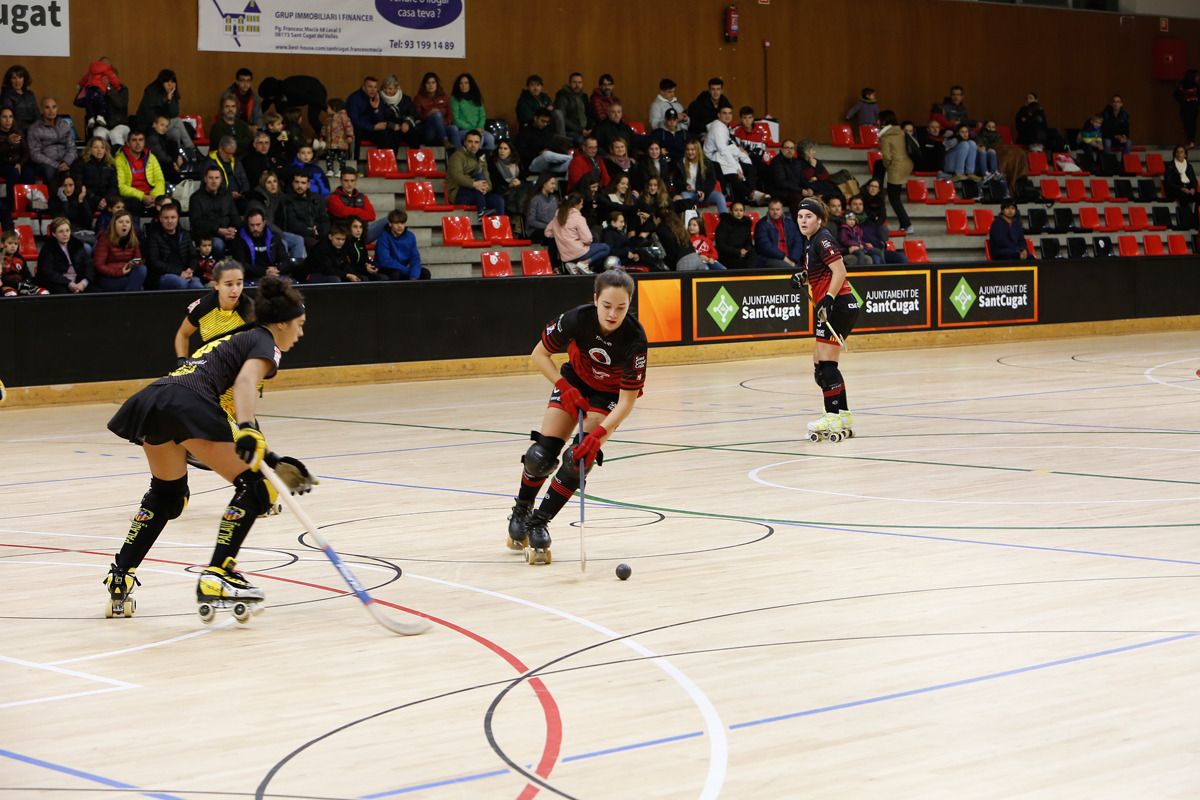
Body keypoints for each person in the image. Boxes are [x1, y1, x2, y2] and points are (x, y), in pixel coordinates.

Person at [102, 275, 311, 618]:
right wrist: (247, 431)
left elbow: (233, 404)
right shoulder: (265, 341)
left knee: (167, 495)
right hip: (188, 402)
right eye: (299, 325)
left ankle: (121, 575)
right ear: (283, 323)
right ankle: (217, 573)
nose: (300, 334)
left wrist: (269, 456)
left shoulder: (239, 336)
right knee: (257, 488)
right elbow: (245, 384)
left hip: (158, 396)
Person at [505, 269, 647, 563]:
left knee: (579, 458)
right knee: (540, 455)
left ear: (629, 306)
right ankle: (522, 508)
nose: (612, 314)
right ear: (595, 299)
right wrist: (563, 386)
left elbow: (626, 402)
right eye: (607, 306)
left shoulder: (635, 339)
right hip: (575, 383)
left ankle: (539, 521)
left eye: (621, 308)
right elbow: (538, 354)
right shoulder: (577, 319)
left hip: (608, 397)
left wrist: (596, 436)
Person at [793, 197, 859, 442]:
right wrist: (804, 277)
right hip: (837, 305)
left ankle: (831, 416)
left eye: (808, 216)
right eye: (800, 216)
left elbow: (840, 271)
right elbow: (823, 272)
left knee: (825, 365)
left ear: (818, 219)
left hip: (837, 305)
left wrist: (829, 299)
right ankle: (842, 413)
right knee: (821, 362)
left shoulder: (822, 238)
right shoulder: (811, 242)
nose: (803, 220)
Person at [703, 105, 760, 206]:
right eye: (724, 113)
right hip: (712, 159)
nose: (727, 115)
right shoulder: (718, 128)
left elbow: (728, 146)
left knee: (749, 168)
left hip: (722, 156)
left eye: (729, 113)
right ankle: (750, 194)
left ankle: (752, 194)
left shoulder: (724, 126)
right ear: (718, 115)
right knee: (734, 174)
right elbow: (722, 150)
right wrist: (736, 167)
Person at [546, 193, 609, 273]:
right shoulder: (578, 218)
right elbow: (588, 239)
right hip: (579, 253)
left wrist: (560, 236)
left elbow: (547, 233)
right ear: (576, 205)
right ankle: (584, 263)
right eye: (581, 204)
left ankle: (574, 266)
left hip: (565, 256)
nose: (582, 206)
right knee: (605, 247)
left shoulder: (556, 218)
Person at [447, 130, 504, 217]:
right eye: (470, 142)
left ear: (479, 144)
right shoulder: (457, 156)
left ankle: (499, 227)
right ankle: (481, 213)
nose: (473, 145)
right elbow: (457, 177)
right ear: (465, 142)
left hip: (478, 192)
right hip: (459, 193)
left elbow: (486, 175)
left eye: (476, 142)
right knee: (477, 187)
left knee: (498, 200)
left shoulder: (480, 157)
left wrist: (486, 187)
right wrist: (474, 184)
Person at [190, 165, 242, 258]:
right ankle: (219, 271)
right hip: (207, 236)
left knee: (241, 243)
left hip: (227, 233)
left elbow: (235, 217)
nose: (214, 181)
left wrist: (233, 230)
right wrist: (218, 230)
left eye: (217, 178)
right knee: (218, 244)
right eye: (211, 178)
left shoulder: (227, 196)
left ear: (221, 179)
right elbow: (196, 222)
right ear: (205, 179)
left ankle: (239, 271)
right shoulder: (196, 198)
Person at [136, 69, 193, 153]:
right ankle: (191, 149)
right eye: (167, 82)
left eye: (173, 82)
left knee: (175, 133)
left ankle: (176, 157)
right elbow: (149, 115)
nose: (170, 84)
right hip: (149, 126)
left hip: (163, 125)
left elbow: (174, 113)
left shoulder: (171, 94)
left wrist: (170, 100)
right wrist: (166, 100)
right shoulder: (152, 91)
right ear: (161, 82)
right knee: (177, 121)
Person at [143, 202, 196, 289]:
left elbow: (193, 256)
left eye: (173, 217)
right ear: (160, 219)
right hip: (162, 275)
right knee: (181, 283)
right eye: (166, 218)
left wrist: (190, 270)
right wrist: (179, 273)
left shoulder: (185, 234)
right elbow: (154, 262)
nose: (170, 221)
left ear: (178, 218)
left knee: (197, 286)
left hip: (184, 273)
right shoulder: (153, 236)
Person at [877, 110, 914, 234]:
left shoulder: (886, 137)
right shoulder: (901, 132)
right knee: (895, 196)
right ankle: (905, 224)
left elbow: (887, 157)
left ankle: (906, 224)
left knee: (894, 198)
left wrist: (887, 166)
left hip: (896, 168)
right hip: (906, 165)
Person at [230, 208, 292, 281]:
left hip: (274, 275)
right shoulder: (240, 239)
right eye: (252, 225)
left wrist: (277, 269)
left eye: (258, 224)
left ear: (264, 223)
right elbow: (240, 264)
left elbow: (286, 260)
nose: (255, 228)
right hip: (251, 277)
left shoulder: (274, 237)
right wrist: (264, 272)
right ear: (247, 224)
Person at [93, 209, 147, 292]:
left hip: (127, 275)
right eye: (121, 222)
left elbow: (137, 260)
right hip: (108, 278)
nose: (124, 225)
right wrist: (119, 272)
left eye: (127, 222)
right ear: (114, 224)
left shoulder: (133, 238)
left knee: (141, 269)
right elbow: (99, 265)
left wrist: (129, 265)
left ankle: (129, 295)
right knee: (137, 286)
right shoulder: (105, 238)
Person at [37, 217, 94, 294]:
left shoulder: (77, 244)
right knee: (61, 292)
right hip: (59, 282)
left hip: (79, 281)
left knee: (96, 290)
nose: (65, 234)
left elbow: (89, 264)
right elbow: (47, 272)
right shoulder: (48, 248)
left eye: (67, 231)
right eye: (61, 231)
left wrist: (84, 283)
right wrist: (68, 283)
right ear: (54, 234)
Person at [26, 96, 76, 185]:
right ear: (42, 109)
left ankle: (78, 197)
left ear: (57, 108)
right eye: (47, 107)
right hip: (47, 163)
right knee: (49, 170)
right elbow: (35, 154)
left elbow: (71, 147)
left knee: (80, 166)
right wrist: (55, 165)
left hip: (65, 160)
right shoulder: (35, 128)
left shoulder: (64, 124)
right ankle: (53, 197)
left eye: (54, 107)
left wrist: (66, 162)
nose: (51, 111)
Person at [258, 74, 327, 138]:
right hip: (301, 96)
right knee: (281, 115)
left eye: (269, 97)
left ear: (273, 94)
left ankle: (323, 137)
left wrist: (326, 108)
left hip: (315, 93)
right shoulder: (275, 94)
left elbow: (313, 99)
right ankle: (285, 138)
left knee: (313, 118)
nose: (269, 99)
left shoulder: (291, 89)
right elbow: (264, 105)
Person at [115, 130, 165, 216]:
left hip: (151, 195)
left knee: (170, 203)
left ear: (144, 142)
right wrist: (142, 197)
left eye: (141, 140)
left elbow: (160, 180)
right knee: (134, 203)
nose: (138, 143)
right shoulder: (119, 160)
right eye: (134, 140)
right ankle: (135, 229)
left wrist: (155, 198)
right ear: (128, 143)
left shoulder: (151, 157)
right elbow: (121, 186)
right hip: (133, 197)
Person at [374, 209, 430, 280]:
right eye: (396, 223)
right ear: (390, 224)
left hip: (404, 269)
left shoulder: (410, 236)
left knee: (425, 273)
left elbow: (415, 258)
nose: (400, 226)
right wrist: (407, 271)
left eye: (402, 223)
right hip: (386, 269)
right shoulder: (383, 237)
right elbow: (385, 261)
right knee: (395, 274)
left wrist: (414, 275)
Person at [516, 107, 572, 176]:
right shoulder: (525, 132)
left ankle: (572, 158)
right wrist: (538, 153)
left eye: (547, 122)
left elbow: (551, 144)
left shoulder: (547, 130)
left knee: (571, 163)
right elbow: (521, 151)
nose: (545, 124)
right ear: (535, 118)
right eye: (543, 121)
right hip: (532, 164)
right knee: (546, 154)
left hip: (549, 165)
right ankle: (572, 157)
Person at [281, 172, 329, 252]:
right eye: (297, 182)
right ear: (292, 183)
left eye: (303, 183)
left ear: (308, 185)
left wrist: (320, 232)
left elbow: (324, 219)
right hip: (300, 236)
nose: (299, 186)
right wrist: (312, 231)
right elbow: (293, 224)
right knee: (317, 247)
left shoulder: (317, 198)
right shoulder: (287, 200)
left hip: (318, 234)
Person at [72, 137, 118, 216]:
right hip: (89, 197)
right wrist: (98, 200)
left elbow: (113, 186)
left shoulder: (110, 165)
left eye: (102, 147)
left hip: (106, 199)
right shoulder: (80, 163)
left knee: (124, 203)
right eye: (96, 147)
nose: (99, 150)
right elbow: (80, 185)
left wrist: (106, 199)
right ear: (90, 149)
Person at [677, 138, 726, 213]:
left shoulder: (707, 162)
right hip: (689, 193)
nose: (690, 152)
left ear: (698, 150)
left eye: (693, 150)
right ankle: (691, 222)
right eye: (688, 150)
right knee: (684, 197)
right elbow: (677, 181)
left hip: (703, 193)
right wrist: (685, 186)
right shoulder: (681, 163)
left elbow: (711, 181)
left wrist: (704, 192)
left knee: (720, 197)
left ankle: (725, 221)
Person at [767, 139, 812, 217]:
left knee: (815, 196)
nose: (789, 150)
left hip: (794, 190)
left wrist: (808, 188)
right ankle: (798, 222)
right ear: (781, 149)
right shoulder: (777, 161)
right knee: (796, 196)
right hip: (780, 192)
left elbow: (802, 178)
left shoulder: (796, 162)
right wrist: (800, 190)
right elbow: (781, 182)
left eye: (792, 148)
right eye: (787, 148)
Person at [413, 72, 458, 148]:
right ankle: (445, 140)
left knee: (454, 128)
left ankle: (458, 157)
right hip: (428, 132)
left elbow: (450, 115)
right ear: (424, 85)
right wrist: (428, 114)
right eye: (428, 83)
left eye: (433, 82)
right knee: (436, 114)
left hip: (443, 127)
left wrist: (442, 123)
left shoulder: (444, 97)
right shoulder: (418, 98)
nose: (431, 85)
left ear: (437, 84)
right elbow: (417, 116)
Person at [76, 56, 121, 131]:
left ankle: (94, 117)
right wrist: (83, 88)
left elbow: (120, 104)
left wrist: (109, 88)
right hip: (96, 125)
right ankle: (94, 117)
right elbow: (79, 103)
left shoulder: (122, 89)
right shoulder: (90, 79)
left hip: (113, 125)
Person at [451, 73, 495, 151]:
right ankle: (474, 159)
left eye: (466, 83)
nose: (464, 85)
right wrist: (473, 129)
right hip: (463, 130)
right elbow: (455, 119)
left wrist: (480, 127)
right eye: (461, 83)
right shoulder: (455, 99)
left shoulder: (476, 97)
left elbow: (482, 115)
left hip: (478, 129)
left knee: (490, 139)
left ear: (470, 84)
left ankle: (485, 160)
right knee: (478, 137)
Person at [754, 198, 802, 269]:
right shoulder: (761, 224)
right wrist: (783, 257)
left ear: (782, 210)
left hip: (791, 258)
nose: (775, 212)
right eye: (772, 209)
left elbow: (798, 242)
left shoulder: (790, 223)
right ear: (768, 210)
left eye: (777, 209)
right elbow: (765, 246)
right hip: (770, 258)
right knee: (791, 269)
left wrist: (793, 259)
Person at [208, 135, 252, 209]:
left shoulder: (236, 162)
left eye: (233, 153)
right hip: (219, 198)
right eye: (228, 153)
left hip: (239, 197)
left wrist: (242, 193)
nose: (230, 156)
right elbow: (211, 185)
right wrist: (228, 194)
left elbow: (244, 180)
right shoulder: (210, 163)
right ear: (220, 149)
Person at [2, 229, 47, 296]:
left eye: (15, 244)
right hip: (6, 286)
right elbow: (2, 278)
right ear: (2, 244)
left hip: (22, 285)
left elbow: (27, 274)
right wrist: (17, 285)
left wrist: (26, 282)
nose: (13, 246)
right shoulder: (1, 259)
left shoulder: (20, 258)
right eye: (10, 243)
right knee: (11, 294)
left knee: (43, 292)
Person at [714, 201, 759, 269]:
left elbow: (749, 241)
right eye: (736, 210)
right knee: (739, 264)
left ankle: (751, 275)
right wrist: (738, 252)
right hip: (728, 254)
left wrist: (746, 250)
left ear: (744, 212)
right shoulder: (724, 224)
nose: (738, 213)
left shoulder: (746, 223)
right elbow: (721, 245)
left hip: (743, 252)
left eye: (741, 210)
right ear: (731, 211)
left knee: (754, 255)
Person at [488, 138, 526, 216]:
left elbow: (523, 176)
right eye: (500, 148)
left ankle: (520, 221)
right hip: (500, 191)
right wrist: (508, 185)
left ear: (510, 150)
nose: (502, 151)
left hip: (516, 189)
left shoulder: (516, 162)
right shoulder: (493, 162)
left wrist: (519, 181)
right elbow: (494, 181)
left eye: (505, 149)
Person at [1163, 145, 1197, 227]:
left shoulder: (1189, 166)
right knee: (1184, 196)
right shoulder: (1170, 166)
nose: (1179, 154)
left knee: (1197, 197)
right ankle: (1185, 222)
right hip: (1175, 190)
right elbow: (1168, 183)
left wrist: (1193, 188)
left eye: (1181, 152)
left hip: (1188, 189)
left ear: (1185, 154)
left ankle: (1196, 221)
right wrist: (1181, 188)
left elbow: (1193, 180)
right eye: (1177, 152)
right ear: (1175, 154)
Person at [321, 98, 353, 177]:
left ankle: (341, 170)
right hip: (330, 142)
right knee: (329, 156)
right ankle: (330, 170)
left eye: (328, 107)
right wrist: (322, 136)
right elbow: (324, 128)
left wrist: (349, 136)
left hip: (341, 141)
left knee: (341, 157)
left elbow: (348, 126)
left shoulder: (343, 116)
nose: (327, 109)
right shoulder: (328, 119)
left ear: (334, 108)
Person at [525, 173, 560, 244]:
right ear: (544, 183)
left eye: (555, 184)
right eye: (552, 183)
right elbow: (531, 221)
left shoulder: (554, 199)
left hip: (551, 229)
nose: (554, 186)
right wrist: (548, 226)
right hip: (536, 231)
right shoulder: (535, 199)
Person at [1, 64, 38, 131]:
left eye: (20, 77)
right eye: (14, 78)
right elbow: (9, 119)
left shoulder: (30, 94)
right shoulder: (6, 96)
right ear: (9, 80)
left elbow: (37, 114)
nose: (17, 81)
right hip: (17, 131)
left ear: (24, 79)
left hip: (34, 130)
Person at [554, 72, 589, 142]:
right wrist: (580, 130)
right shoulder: (562, 95)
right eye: (574, 82)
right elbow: (562, 118)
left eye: (580, 82)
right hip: (570, 131)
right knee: (581, 141)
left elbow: (589, 114)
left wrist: (590, 129)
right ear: (569, 83)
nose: (577, 85)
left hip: (585, 130)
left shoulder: (584, 96)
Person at [225, 67, 262, 131]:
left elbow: (258, 117)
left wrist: (259, 128)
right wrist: (247, 127)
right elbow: (227, 119)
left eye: (248, 81)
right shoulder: (228, 96)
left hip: (250, 129)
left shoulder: (255, 97)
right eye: (242, 80)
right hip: (232, 128)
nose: (245, 84)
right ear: (237, 82)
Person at [1174, 70, 1199, 148]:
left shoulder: (1197, 86)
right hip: (1185, 108)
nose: (1198, 78)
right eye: (1196, 76)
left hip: (1193, 108)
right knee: (1186, 125)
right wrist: (1182, 101)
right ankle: (1188, 141)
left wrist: (1196, 101)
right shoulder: (1181, 85)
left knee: (1192, 124)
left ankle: (1191, 141)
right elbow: (1175, 95)